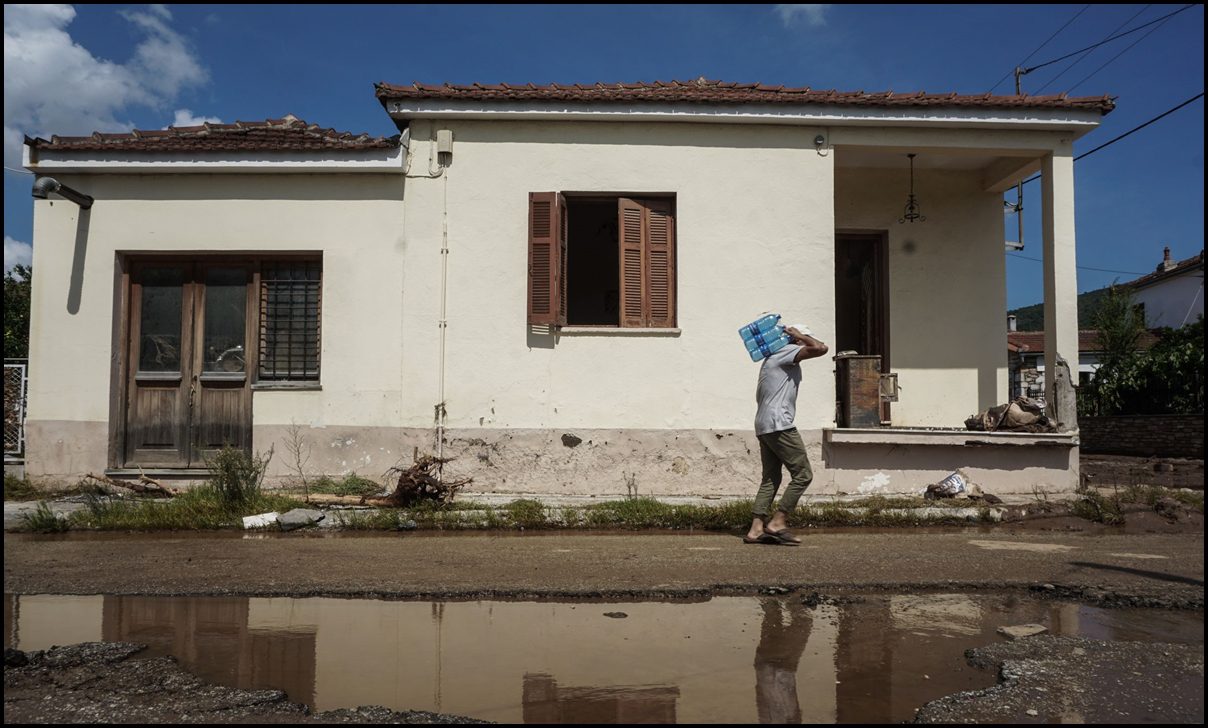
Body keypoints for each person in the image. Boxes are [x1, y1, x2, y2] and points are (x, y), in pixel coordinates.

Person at [744, 324, 829, 545]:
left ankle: (755, 529)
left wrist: (799, 337)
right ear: (794, 340)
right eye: (805, 337)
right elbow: (821, 348)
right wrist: (800, 336)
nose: (807, 340)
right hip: (779, 424)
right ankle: (778, 522)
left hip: (764, 424)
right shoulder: (786, 352)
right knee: (803, 474)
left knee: (771, 478)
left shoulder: (772, 357)